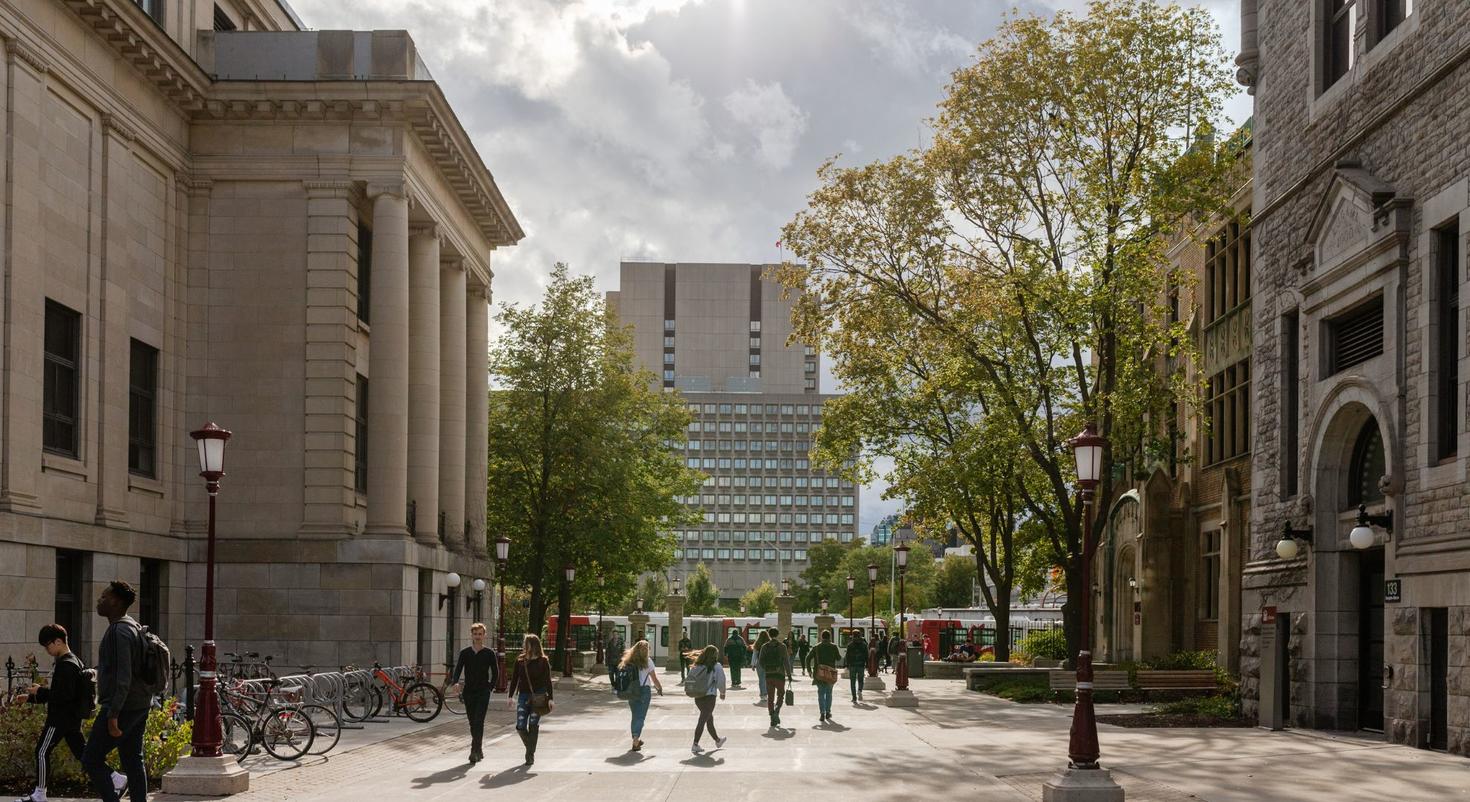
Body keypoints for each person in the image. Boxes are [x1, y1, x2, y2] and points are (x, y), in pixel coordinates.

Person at [13, 624, 126, 802]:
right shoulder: (75, 661)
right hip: (71, 719)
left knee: (41, 752)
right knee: (84, 754)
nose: (47, 650)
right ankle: (116, 778)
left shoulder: (66, 665)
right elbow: (64, 693)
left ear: (58, 641)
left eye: (47, 645)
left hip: (59, 719)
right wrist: (30, 697)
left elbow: (62, 696)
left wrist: (38, 691)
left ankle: (40, 794)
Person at [81, 580, 151, 802]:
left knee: (91, 759)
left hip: (121, 708)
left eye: (103, 597)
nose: (99, 601)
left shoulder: (119, 631)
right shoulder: (133, 626)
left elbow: (124, 676)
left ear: (116, 602)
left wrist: (113, 714)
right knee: (132, 760)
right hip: (140, 704)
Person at [448, 622, 501, 764]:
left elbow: (496, 672)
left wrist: (490, 687)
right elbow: (458, 669)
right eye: (475, 634)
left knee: (479, 721)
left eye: (480, 634)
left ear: (484, 635)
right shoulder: (465, 653)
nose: (477, 636)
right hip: (469, 691)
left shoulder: (489, 653)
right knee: (472, 722)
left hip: (483, 691)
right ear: (471, 635)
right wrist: (456, 682)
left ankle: (474, 751)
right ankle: (479, 748)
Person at [506, 634, 553, 766]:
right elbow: (514, 679)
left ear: (533, 645)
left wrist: (551, 699)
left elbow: (547, 681)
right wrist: (510, 696)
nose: (524, 645)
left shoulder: (543, 661)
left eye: (526, 643)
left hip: (538, 697)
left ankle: (529, 755)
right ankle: (531, 748)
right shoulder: (520, 661)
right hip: (523, 696)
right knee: (520, 725)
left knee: (533, 724)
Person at [618, 640, 663, 751]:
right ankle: (635, 740)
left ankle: (635, 737)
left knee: (635, 715)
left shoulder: (629, 660)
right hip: (643, 691)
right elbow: (654, 679)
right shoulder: (648, 661)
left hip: (631, 691)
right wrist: (659, 688)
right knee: (641, 716)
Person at [684, 645, 727, 754]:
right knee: (703, 719)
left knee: (709, 718)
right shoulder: (716, 666)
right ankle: (695, 743)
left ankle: (717, 740)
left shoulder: (696, 666)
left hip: (698, 696)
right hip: (709, 696)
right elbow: (721, 680)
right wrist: (722, 692)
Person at [756, 627, 791, 729]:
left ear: (769, 634)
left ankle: (772, 715)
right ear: (778, 634)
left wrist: (766, 668)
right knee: (780, 695)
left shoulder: (764, 646)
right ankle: (776, 711)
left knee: (770, 697)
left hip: (769, 675)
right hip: (779, 675)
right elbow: (786, 662)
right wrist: (788, 674)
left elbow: (761, 660)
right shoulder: (782, 646)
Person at [808, 629, 841, 724]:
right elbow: (838, 658)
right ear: (829, 637)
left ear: (821, 637)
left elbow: (808, 658)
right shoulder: (833, 646)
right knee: (829, 693)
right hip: (830, 674)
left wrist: (809, 670)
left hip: (819, 673)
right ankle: (828, 712)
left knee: (821, 693)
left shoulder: (816, 647)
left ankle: (822, 713)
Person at [844, 629, 869, 703]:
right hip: (861, 664)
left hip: (852, 665)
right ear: (860, 635)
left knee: (852, 681)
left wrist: (846, 664)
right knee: (861, 679)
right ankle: (860, 690)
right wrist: (867, 664)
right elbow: (866, 655)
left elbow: (847, 655)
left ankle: (854, 697)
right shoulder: (864, 644)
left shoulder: (850, 645)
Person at [751, 629, 771, 704]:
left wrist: (753, 664)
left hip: (759, 663)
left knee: (761, 679)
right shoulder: (769, 643)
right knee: (768, 679)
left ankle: (763, 694)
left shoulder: (757, 644)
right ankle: (767, 693)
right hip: (768, 663)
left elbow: (754, 655)